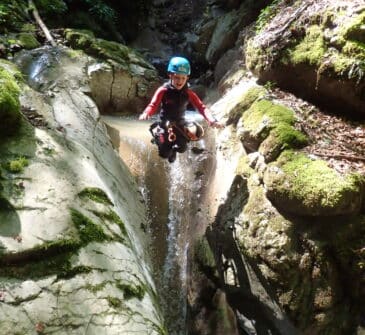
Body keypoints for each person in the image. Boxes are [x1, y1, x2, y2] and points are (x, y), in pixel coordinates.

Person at [139, 56, 223, 163]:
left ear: (187, 78)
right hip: (164, 124)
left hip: (180, 125)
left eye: (183, 78)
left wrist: (212, 120)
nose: (180, 81)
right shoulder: (163, 91)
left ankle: (174, 150)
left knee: (182, 148)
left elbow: (201, 107)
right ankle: (158, 138)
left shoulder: (188, 93)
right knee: (164, 154)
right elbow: (153, 104)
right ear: (170, 75)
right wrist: (147, 113)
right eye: (177, 78)